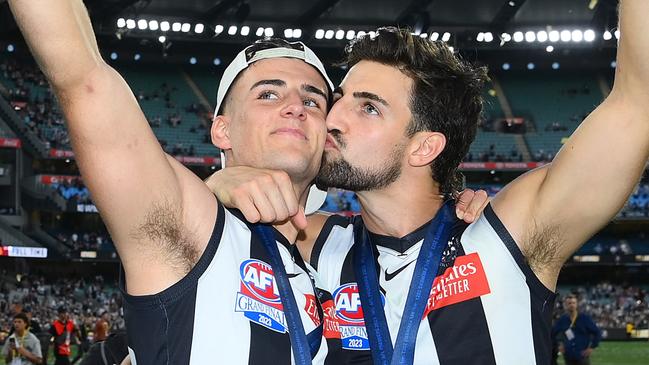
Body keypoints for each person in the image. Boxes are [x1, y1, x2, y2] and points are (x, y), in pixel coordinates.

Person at [207, 2, 649, 363]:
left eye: (369, 109)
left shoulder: (509, 232)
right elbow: (185, 239)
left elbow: (635, 105)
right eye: (338, 100)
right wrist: (216, 187)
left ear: (424, 147)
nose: (331, 119)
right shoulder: (315, 244)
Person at [7, 1, 343, 363]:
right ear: (222, 130)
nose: (296, 106)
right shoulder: (191, 225)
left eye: (313, 100)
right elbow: (84, 77)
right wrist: (210, 190)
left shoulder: (337, 270)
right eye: (268, 94)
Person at [552, 295, 601, 365]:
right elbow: (552, 334)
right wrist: (558, 345)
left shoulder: (584, 318)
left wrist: (592, 347)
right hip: (568, 356)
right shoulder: (562, 320)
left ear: (577, 304)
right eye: (569, 303)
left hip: (582, 355)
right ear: (565, 305)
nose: (572, 305)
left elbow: (597, 332)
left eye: (573, 303)